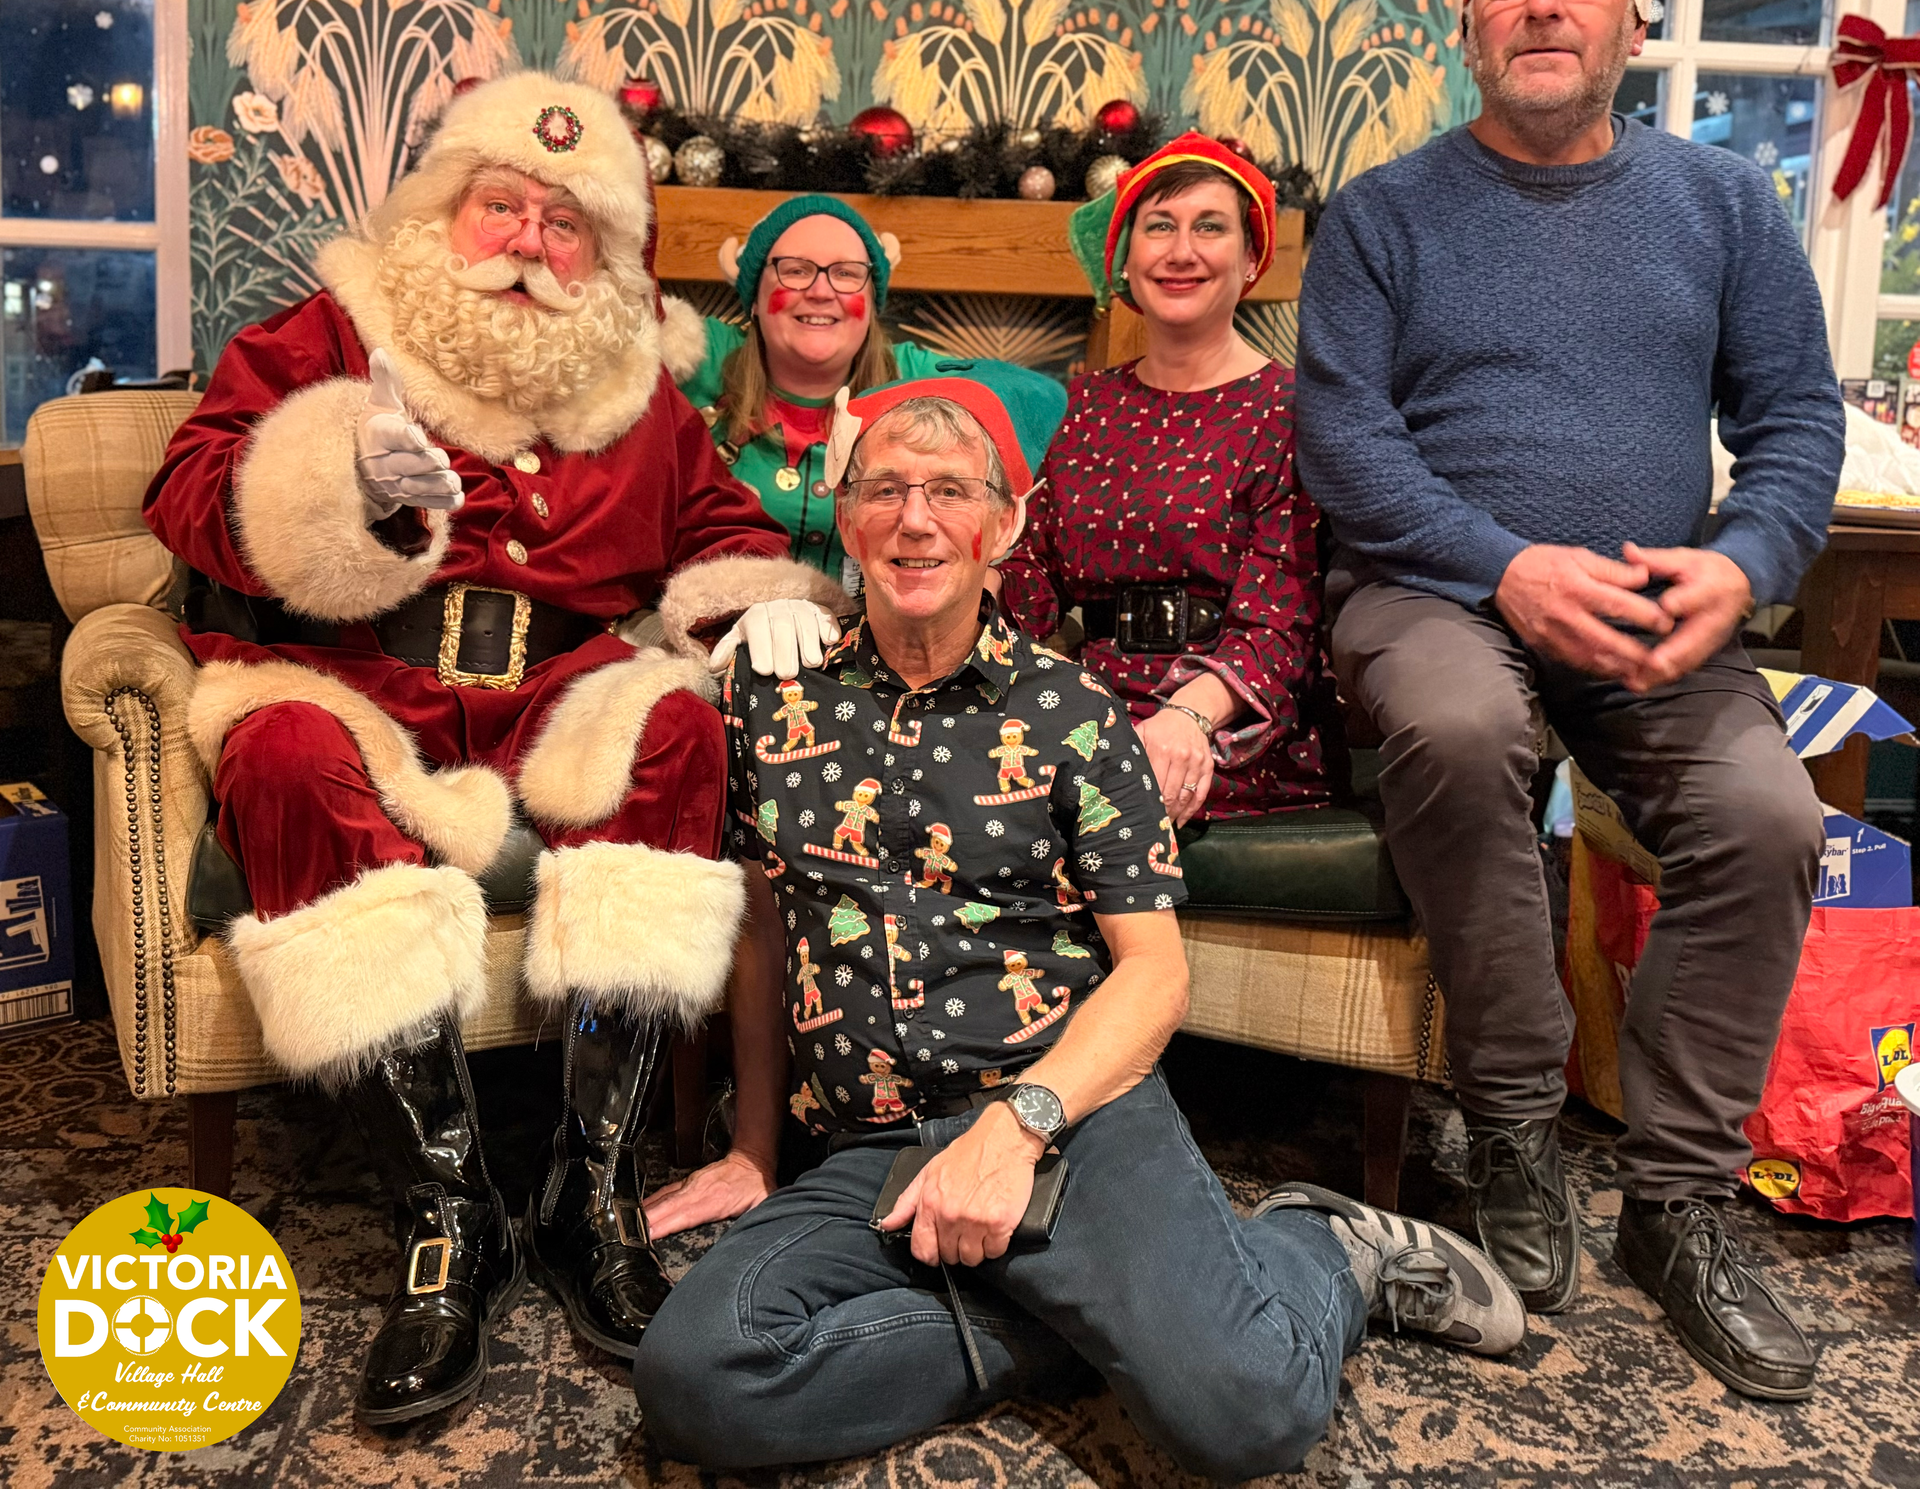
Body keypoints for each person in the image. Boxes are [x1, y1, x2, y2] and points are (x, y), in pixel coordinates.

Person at [627, 376, 1524, 1479]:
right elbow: (764, 927)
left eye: (951, 491)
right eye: (887, 490)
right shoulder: (771, 702)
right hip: (872, 1147)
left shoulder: (1075, 714)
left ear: (1006, 526)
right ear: (848, 522)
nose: (916, 519)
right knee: (696, 1375)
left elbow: (1155, 974)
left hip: (1071, 1113)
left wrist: (1016, 1131)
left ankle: (1320, 1246)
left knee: (1248, 1413)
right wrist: (755, 1150)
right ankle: (1089, 1333)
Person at [142, 71, 847, 1424]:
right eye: (503, 206)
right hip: (353, 670)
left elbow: (719, 526)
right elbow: (185, 486)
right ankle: (449, 1211)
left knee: (676, 727)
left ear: (603, 254)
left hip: (551, 686)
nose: (529, 239)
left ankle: (589, 1190)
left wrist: (757, 595)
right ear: (443, 212)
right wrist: (336, 482)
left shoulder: (636, 386)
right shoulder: (333, 329)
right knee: (281, 753)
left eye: (564, 223)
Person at [1294, 0, 1845, 1401]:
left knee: (1770, 815)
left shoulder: (1727, 204)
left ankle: (1679, 1199)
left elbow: (1795, 418)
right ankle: (1516, 1129)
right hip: (1431, 591)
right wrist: (1506, 563)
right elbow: (1345, 439)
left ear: (1627, 18)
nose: (1544, 3)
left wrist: (1743, 563)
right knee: (1463, 725)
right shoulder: (1384, 213)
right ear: (1470, 21)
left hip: (1655, 609)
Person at [995, 132, 1327, 825]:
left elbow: (1281, 621)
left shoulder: (1292, 412)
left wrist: (1187, 717)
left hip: (1231, 726)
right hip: (1085, 707)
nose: (1181, 251)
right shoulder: (1081, 407)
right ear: (1126, 257)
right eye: (1159, 227)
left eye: (1209, 227)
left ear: (1251, 257)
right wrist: (962, 588)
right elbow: (1030, 578)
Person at [677, 193, 1068, 586]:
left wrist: (992, 580)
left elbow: (1041, 402)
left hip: (880, 619)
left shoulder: (914, 375)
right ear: (755, 298)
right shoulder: (697, 355)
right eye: (795, 270)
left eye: (846, 274)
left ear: (871, 301)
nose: (821, 291)